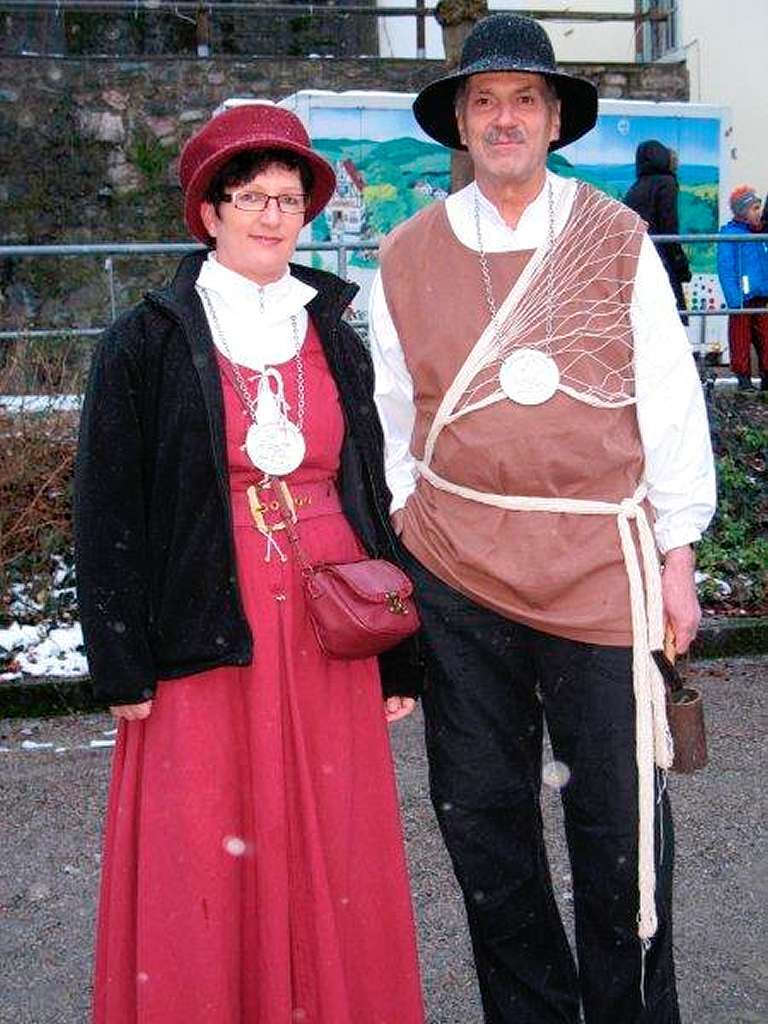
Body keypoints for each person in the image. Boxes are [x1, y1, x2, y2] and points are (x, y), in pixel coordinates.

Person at [369, 13, 716, 1024]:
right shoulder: (404, 256)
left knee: (622, 831)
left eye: (526, 99)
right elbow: (390, 412)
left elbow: (671, 401)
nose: (505, 118)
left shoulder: (614, 238)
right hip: (458, 570)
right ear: (461, 125)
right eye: (486, 101)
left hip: (600, 567)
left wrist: (678, 555)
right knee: (483, 823)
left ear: (556, 118)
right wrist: (409, 517)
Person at [75, 101, 425, 1024]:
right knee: (202, 843)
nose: (273, 216)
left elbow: (374, 495)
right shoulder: (146, 339)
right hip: (205, 614)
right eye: (250, 196)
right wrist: (121, 656)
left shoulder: (334, 335)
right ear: (210, 212)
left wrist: (399, 650)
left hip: (326, 620)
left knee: (332, 841)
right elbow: (107, 507)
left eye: (288, 198)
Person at [624, 139, 691, 325]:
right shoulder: (666, 183)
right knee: (669, 318)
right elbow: (669, 226)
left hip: (638, 259)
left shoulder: (637, 186)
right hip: (659, 258)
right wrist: (681, 266)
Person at [716, 184, 768, 391]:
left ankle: (766, 376)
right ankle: (743, 378)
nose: (759, 213)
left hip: (762, 295)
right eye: (754, 208)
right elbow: (726, 269)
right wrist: (733, 299)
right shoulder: (731, 235)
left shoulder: (759, 234)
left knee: (765, 336)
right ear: (742, 212)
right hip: (741, 299)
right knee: (740, 339)